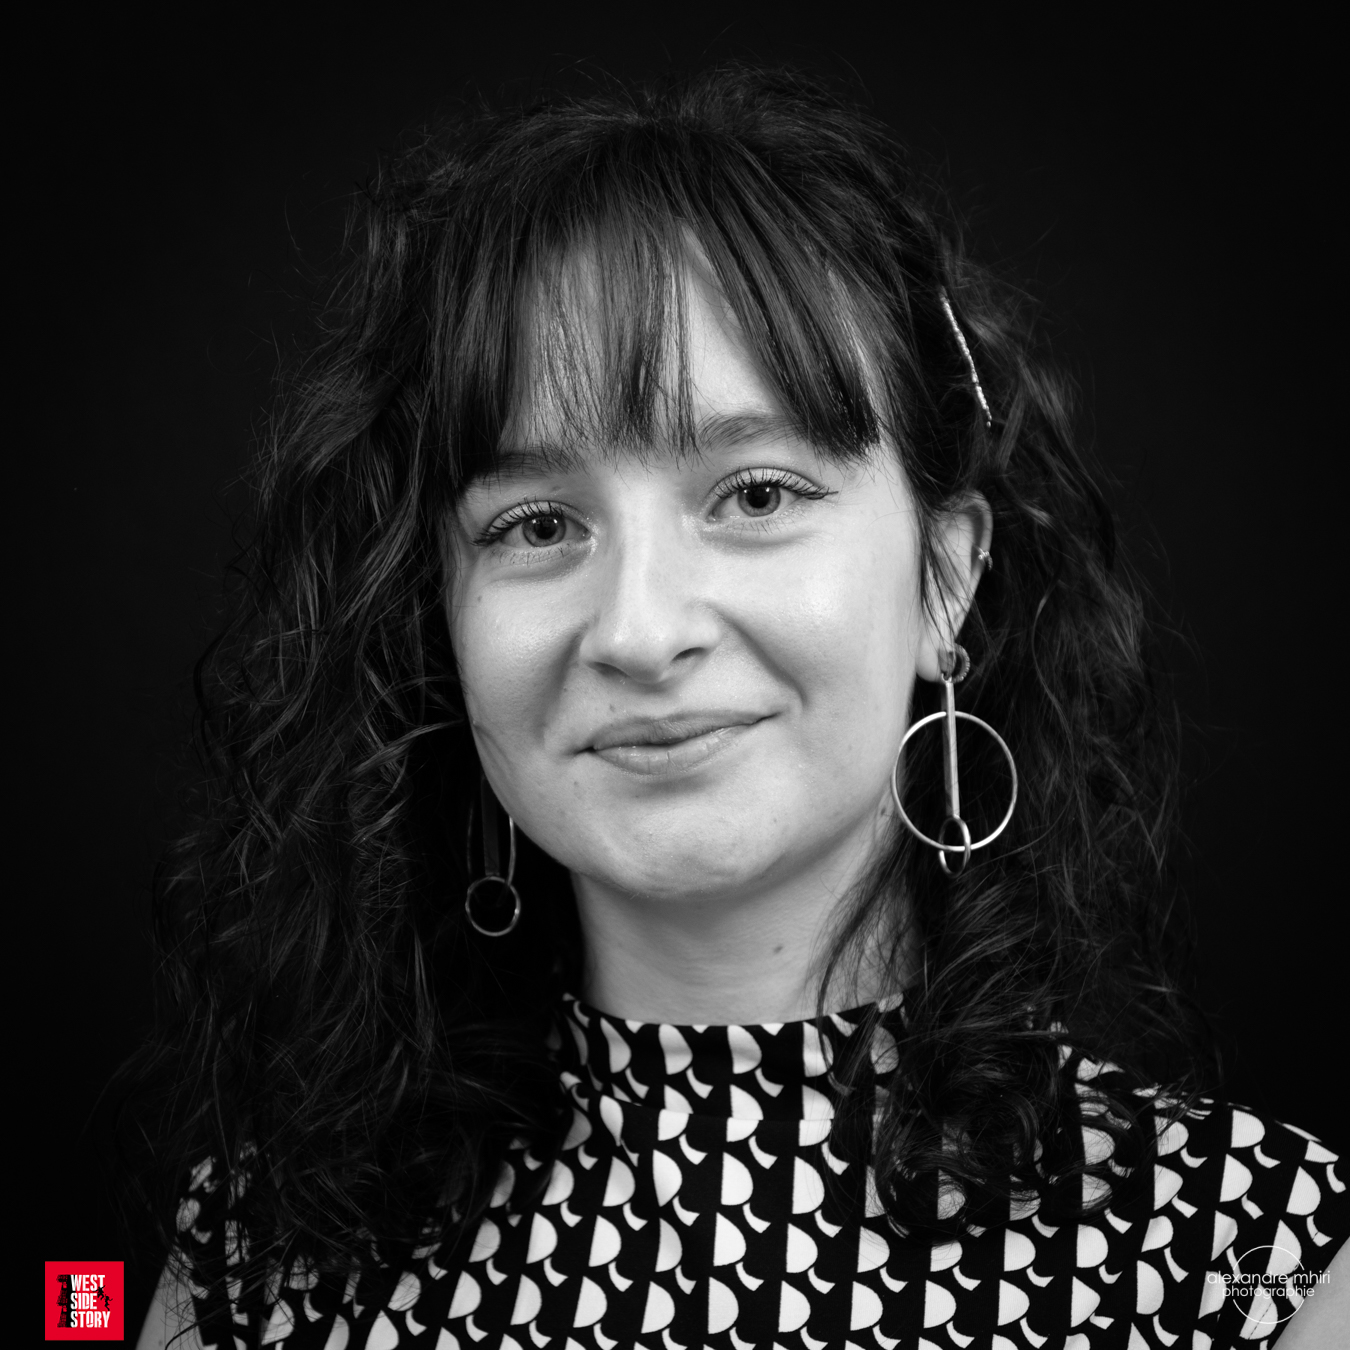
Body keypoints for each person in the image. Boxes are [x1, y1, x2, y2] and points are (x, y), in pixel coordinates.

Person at [131, 65, 1346, 1349]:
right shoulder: (251, 1266)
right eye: (536, 525)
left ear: (946, 578)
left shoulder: (1249, 1267)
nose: (639, 631)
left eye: (756, 494)